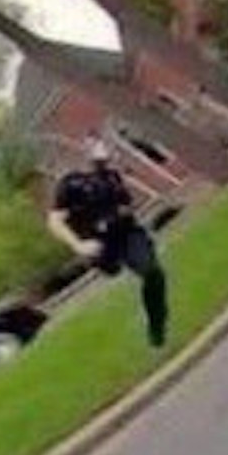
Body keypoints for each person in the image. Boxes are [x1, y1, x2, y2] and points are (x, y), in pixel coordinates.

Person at [46, 137, 170, 348]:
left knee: (153, 272)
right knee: (111, 269)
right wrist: (78, 245)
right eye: (95, 145)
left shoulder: (112, 176)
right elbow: (54, 220)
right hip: (99, 242)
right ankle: (107, 264)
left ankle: (156, 325)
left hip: (127, 233)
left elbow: (125, 204)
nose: (102, 150)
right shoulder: (70, 184)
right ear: (84, 150)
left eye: (102, 145)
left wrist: (124, 210)